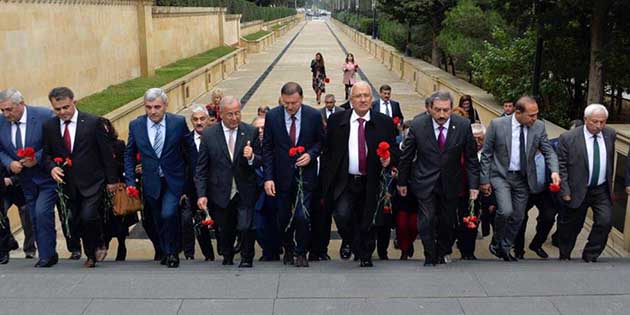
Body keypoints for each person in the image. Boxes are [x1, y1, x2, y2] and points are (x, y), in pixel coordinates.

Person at [397, 91, 480, 266]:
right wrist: (402, 181)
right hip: (425, 181)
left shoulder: (463, 125)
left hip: (451, 182)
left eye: (446, 110)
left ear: (451, 109)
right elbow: (407, 156)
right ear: (429, 109)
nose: (442, 114)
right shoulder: (418, 125)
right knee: (426, 220)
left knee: (448, 221)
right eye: (437, 110)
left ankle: (442, 251)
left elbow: (471, 159)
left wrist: (474, 186)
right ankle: (430, 254)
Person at [321, 81, 398, 267]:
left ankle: (365, 254)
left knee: (368, 220)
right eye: (358, 96)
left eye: (366, 96)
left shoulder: (384, 122)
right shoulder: (337, 121)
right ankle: (351, 242)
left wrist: (390, 160)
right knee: (341, 214)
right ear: (350, 99)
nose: (362, 100)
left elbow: (395, 149)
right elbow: (328, 151)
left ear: (372, 99)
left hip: (371, 180)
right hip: (345, 180)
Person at [43, 87, 118, 268]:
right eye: (57, 109)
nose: (62, 112)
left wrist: (112, 181)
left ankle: (91, 254)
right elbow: (46, 154)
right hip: (68, 185)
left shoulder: (93, 123)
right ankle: (95, 241)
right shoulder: (50, 126)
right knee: (74, 220)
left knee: (88, 215)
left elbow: (106, 153)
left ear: (74, 103)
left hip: (94, 181)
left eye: (66, 107)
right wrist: (52, 167)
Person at [479, 96, 560, 262]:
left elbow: (549, 151)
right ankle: (496, 241)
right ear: (518, 112)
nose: (534, 118)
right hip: (501, 175)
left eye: (536, 114)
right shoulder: (497, 125)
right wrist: (484, 180)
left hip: (523, 178)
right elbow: (486, 154)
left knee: (519, 217)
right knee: (506, 210)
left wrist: (554, 171)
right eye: (531, 115)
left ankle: (504, 247)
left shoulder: (538, 127)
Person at [125, 88, 191, 268]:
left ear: (165, 106)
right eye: (148, 107)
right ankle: (164, 249)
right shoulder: (136, 125)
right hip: (151, 182)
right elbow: (129, 154)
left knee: (168, 213)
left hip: (173, 180)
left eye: (157, 107)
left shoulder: (178, 123)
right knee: (156, 219)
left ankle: (172, 253)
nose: (153, 111)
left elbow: (190, 152)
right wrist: (130, 181)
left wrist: (191, 182)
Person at [262, 82, 324, 267]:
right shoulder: (272, 116)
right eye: (286, 103)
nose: (289, 107)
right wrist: (268, 178)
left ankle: (301, 251)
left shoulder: (313, 116)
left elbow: (321, 142)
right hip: (281, 177)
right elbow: (267, 149)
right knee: (283, 217)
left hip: (305, 176)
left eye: (293, 103)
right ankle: (288, 248)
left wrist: (311, 155)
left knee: (302, 215)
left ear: (301, 99)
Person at [196, 96, 260, 268]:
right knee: (225, 229)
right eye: (230, 114)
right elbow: (201, 168)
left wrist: (252, 157)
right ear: (221, 114)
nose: (234, 118)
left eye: (237, 113)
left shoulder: (250, 131)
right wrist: (201, 194)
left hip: (244, 188)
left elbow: (261, 160)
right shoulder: (209, 135)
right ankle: (228, 254)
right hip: (220, 191)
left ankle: (247, 257)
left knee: (246, 226)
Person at [557, 104, 615, 262]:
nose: (599, 126)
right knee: (571, 227)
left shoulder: (610, 134)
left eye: (603, 122)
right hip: (577, 189)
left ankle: (590, 255)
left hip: (601, 189)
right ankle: (565, 255)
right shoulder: (568, 138)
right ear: (585, 119)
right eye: (595, 121)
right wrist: (565, 191)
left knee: (605, 221)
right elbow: (561, 166)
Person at [0, 89, 40, 262]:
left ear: (21, 104)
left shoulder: (38, 119)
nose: (5, 114)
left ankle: (30, 248)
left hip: (25, 178)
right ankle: (5, 248)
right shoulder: (1, 123)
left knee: (28, 214)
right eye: (3, 110)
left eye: (9, 109)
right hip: (3, 181)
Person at [101, 118, 138, 261]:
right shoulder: (94, 146)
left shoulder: (119, 145)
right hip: (102, 189)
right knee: (105, 222)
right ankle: (104, 246)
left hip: (118, 189)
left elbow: (125, 164)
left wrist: (112, 162)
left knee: (120, 219)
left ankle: (122, 245)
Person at [181, 105, 215, 261]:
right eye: (195, 119)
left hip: (215, 187)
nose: (199, 122)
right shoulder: (185, 141)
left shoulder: (216, 137)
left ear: (208, 120)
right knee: (198, 222)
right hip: (193, 189)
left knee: (218, 220)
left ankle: (223, 247)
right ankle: (206, 255)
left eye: (202, 119)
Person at [513, 149, 557, 259]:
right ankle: (518, 250)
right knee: (520, 218)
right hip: (524, 191)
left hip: (543, 192)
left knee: (549, 217)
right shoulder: (519, 152)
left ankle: (536, 244)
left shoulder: (551, 152)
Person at [252, 116, 281, 261]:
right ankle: (268, 250)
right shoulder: (248, 148)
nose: (261, 131)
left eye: (263, 128)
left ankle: (275, 250)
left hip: (276, 194)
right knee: (259, 226)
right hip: (257, 196)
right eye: (257, 129)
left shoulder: (277, 147)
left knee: (277, 224)